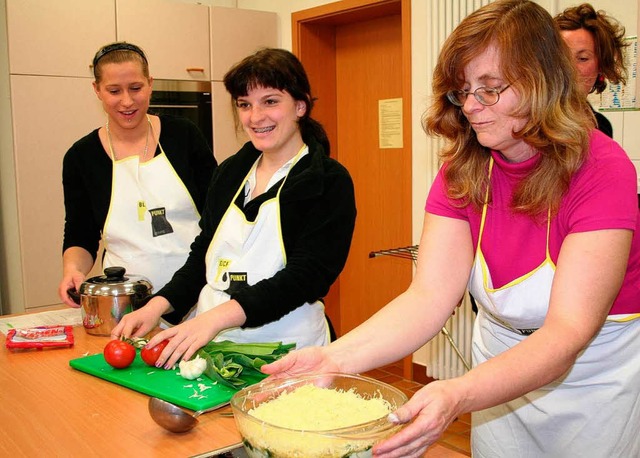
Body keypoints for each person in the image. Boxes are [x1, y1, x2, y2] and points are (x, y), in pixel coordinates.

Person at [262, 1, 640, 457]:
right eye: (463, 92)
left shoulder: (602, 169)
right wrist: (332, 359)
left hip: (593, 378)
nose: (472, 108)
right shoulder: (464, 169)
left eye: (491, 89)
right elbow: (429, 297)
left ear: (543, 81)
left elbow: (566, 333)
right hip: (498, 371)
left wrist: (456, 393)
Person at [112, 48, 357, 368]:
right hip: (211, 347)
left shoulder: (327, 182)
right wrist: (156, 306)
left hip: (287, 349)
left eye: (270, 101)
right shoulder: (231, 172)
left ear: (300, 106)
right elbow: (202, 257)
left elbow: (304, 278)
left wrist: (214, 319)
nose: (255, 117)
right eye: (244, 104)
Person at [58, 42, 217, 308]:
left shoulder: (183, 135)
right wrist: (73, 270)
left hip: (199, 295)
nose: (127, 101)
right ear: (96, 90)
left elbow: (218, 212)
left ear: (150, 83)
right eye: (113, 91)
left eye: (135, 88)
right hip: (125, 304)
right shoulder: (81, 156)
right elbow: (80, 233)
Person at [555, 3, 628, 138]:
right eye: (561, 56)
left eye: (582, 58)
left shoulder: (601, 127)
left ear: (601, 66)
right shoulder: (526, 121)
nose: (569, 68)